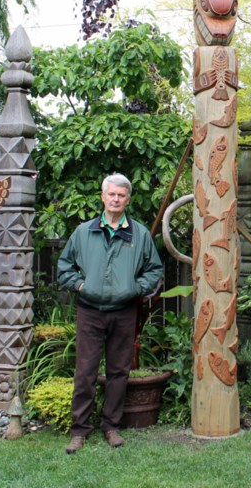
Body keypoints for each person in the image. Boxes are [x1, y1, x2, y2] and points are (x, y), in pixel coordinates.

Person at [57, 172, 163, 453]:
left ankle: (111, 427)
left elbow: (154, 270)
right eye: (111, 194)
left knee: (118, 372)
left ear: (128, 199)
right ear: (103, 197)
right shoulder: (84, 232)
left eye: (121, 195)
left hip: (124, 312)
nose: (116, 199)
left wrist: (135, 288)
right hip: (89, 311)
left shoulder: (139, 234)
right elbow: (64, 267)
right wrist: (80, 285)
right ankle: (79, 430)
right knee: (85, 372)